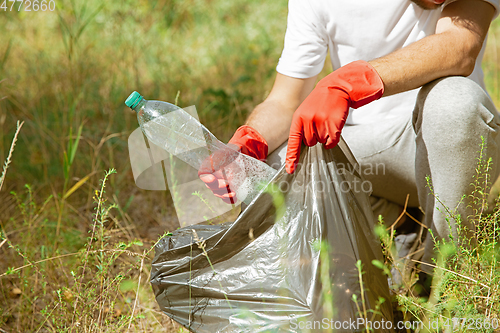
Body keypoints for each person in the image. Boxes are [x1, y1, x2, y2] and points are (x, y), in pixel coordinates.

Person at [198, 0, 500, 281]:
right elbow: (284, 100)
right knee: (268, 171)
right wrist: (248, 141)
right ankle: (402, 227)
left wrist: (351, 82)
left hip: (448, 151)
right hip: (368, 153)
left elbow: (460, 47)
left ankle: (449, 282)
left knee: (457, 103)